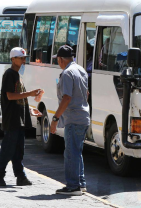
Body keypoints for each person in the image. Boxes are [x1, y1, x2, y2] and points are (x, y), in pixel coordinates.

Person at [0, 47, 41, 186]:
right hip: (12, 118)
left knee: (19, 149)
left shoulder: (18, 75)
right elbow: (10, 96)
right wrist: (30, 93)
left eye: (24, 58)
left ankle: (20, 176)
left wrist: (31, 110)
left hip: (19, 118)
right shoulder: (9, 74)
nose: (23, 60)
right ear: (13, 59)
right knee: (8, 148)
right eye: (21, 58)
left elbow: (20, 99)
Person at [50, 45, 90, 196]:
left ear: (61, 59)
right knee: (76, 151)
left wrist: (55, 118)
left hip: (73, 118)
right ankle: (81, 183)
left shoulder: (67, 73)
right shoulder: (81, 70)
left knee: (71, 153)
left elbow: (67, 97)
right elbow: (86, 93)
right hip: (83, 116)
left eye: (57, 60)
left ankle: (73, 186)